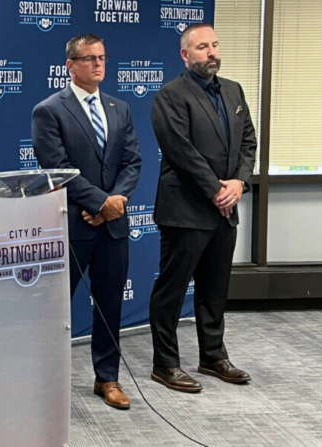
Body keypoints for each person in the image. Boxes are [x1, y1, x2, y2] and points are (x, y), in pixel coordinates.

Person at [31, 34, 142, 410]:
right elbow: (56, 167)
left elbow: (132, 163)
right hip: (72, 226)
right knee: (56, 309)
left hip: (112, 228)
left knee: (110, 304)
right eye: (89, 58)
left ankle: (107, 378)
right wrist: (98, 202)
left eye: (102, 57)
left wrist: (113, 204)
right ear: (70, 65)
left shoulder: (119, 108)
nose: (98, 64)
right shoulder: (49, 110)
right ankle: (45, 382)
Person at [149, 23, 256, 393]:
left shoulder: (233, 90)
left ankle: (212, 355)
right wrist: (216, 190)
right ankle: (165, 364)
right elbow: (180, 151)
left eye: (214, 45)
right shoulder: (170, 95)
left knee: (214, 289)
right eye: (201, 47)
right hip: (186, 210)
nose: (211, 52)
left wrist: (240, 183)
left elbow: (248, 141)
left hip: (225, 209)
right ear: (185, 55)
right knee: (172, 290)